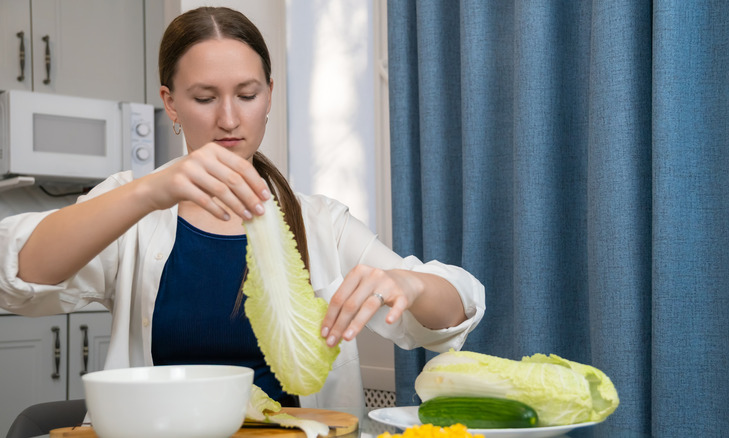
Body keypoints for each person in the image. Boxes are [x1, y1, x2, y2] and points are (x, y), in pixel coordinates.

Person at [0, 6, 485, 409]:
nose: (229, 118)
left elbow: (455, 311)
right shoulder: (135, 211)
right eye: (204, 97)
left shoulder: (320, 224)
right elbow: (14, 275)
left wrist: (409, 282)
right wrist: (149, 191)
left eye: (247, 95)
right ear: (170, 104)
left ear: (269, 94)